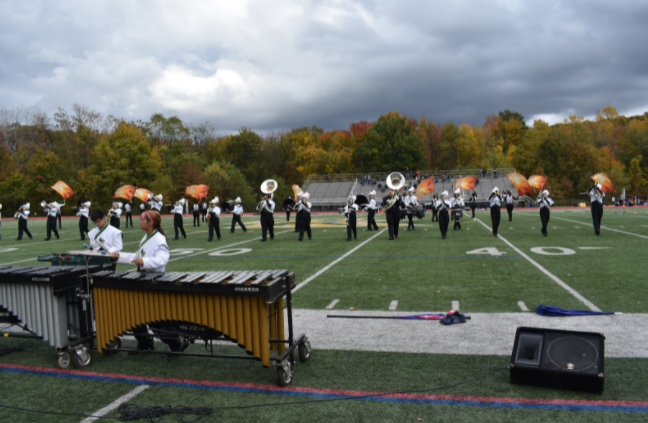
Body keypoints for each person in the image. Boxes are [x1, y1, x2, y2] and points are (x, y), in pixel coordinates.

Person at [113, 211, 186, 354]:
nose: (139, 221)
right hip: (143, 280)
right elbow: (136, 256)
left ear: (150, 222)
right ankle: (145, 343)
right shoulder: (146, 237)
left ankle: (176, 344)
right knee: (134, 315)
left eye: (141, 219)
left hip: (155, 281)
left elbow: (162, 260)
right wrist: (118, 256)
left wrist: (144, 261)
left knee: (155, 320)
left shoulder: (159, 239)